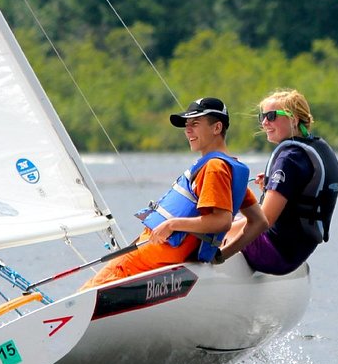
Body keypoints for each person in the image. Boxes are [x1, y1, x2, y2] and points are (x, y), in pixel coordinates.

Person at [81, 97, 257, 289]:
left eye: (195, 124)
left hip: (150, 261)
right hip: (161, 260)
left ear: (216, 128)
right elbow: (259, 221)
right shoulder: (230, 168)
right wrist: (221, 256)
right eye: (187, 125)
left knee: (85, 296)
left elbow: (222, 221)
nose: (188, 130)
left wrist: (172, 224)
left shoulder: (215, 167)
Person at [217, 89, 338, 275]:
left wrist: (221, 251)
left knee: (214, 221)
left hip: (275, 254)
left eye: (272, 116)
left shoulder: (289, 159)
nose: (265, 122)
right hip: (295, 252)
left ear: (294, 119)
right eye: (262, 116)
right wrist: (270, 187)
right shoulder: (309, 149)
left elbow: (263, 221)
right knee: (225, 221)